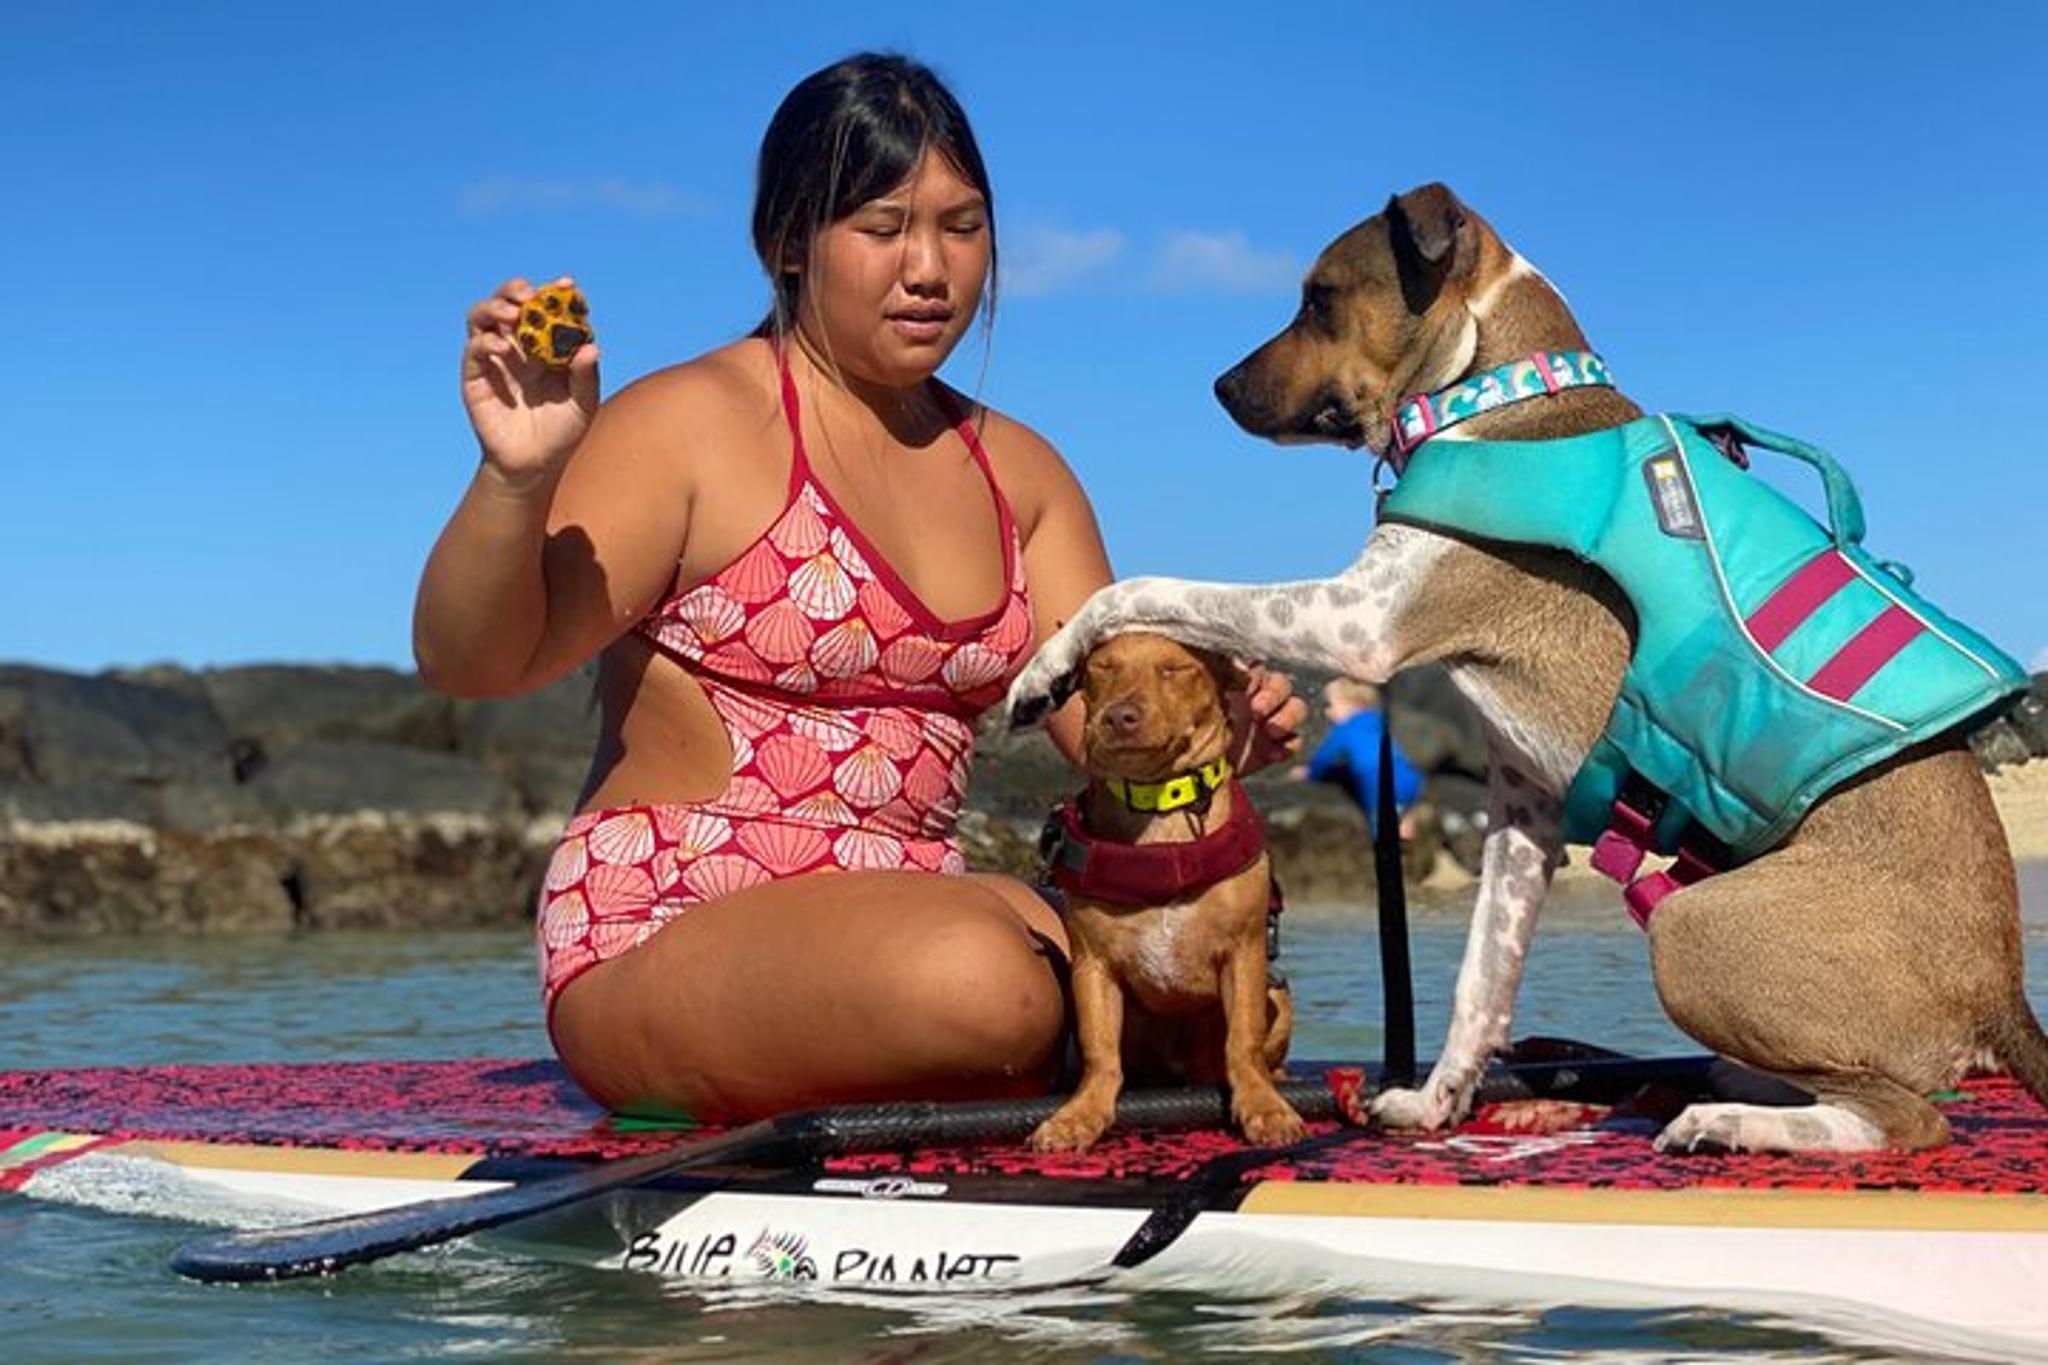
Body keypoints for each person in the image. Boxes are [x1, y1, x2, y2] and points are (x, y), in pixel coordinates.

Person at [413, 53, 1304, 1122]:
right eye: (882, 228)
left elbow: (1102, 736)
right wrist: (517, 480)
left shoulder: (1018, 474)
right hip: (672, 928)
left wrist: (1216, 732)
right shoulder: (689, 425)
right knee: (989, 988)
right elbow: (474, 663)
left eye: (961, 227)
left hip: (918, 916)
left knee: (1184, 980)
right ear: (788, 242)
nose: (929, 267)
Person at [1294, 680, 1424, 839]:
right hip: (1408, 774)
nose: (1328, 713)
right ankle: (1411, 837)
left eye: (1331, 705)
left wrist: (1311, 773)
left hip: (1376, 779)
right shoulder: (1378, 719)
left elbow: (1325, 756)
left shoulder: (1345, 729)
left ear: (1349, 703)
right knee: (1402, 813)